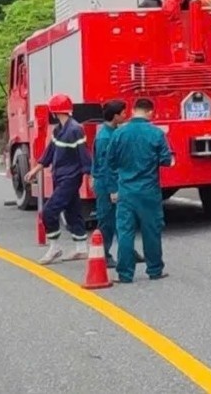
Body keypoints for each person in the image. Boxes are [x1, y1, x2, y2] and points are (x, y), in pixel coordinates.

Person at [109, 97, 175, 283]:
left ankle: (125, 273)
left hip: (126, 190)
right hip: (149, 191)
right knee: (151, 231)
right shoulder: (156, 133)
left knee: (125, 232)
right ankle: (154, 270)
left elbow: (110, 161)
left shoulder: (119, 133)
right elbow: (165, 160)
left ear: (133, 110)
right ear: (150, 112)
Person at [25, 93, 92, 265]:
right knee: (72, 211)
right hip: (60, 176)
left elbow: (84, 155)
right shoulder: (58, 130)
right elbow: (50, 152)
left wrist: (90, 176)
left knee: (49, 211)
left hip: (70, 178)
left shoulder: (75, 129)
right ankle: (81, 249)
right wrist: (36, 169)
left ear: (54, 111)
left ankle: (54, 247)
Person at [90, 100, 145, 269]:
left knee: (123, 219)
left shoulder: (111, 132)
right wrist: (113, 190)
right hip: (107, 185)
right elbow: (107, 166)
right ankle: (104, 254)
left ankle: (127, 251)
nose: (125, 115)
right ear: (115, 116)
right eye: (122, 113)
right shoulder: (105, 137)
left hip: (113, 182)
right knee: (107, 220)